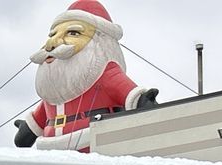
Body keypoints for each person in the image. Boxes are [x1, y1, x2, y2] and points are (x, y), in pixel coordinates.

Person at [14, 1, 158, 153]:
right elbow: (34, 125)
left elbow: (134, 98)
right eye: (53, 34)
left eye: (73, 33)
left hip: (93, 146)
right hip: (50, 153)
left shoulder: (107, 73)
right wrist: (28, 129)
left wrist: (144, 101)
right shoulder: (52, 91)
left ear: (100, 41)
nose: (51, 43)